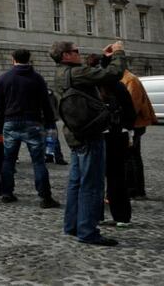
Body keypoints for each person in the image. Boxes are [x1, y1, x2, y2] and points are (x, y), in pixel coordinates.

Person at [50, 40, 126, 246]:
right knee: (92, 185)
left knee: (76, 183)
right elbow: (112, 75)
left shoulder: (61, 72)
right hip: (89, 133)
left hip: (75, 133)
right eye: (75, 51)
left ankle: (72, 225)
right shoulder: (76, 73)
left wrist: (105, 59)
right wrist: (118, 54)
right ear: (66, 55)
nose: (79, 53)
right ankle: (87, 230)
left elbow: (93, 75)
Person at [0, 49, 59, 209]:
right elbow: (46, 102)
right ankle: (45, 197)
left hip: (10, 121)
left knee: (8, 159)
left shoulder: (4, 78)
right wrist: (50, 122)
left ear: (13, 59)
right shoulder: (37, 78)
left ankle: (7, 193)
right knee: (38, 161)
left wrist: (3, 117)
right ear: (29, 59)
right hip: (33, 122)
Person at [84, 54, 135, 227]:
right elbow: (130, 113)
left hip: (95, 134)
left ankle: (96, 215)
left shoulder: (87, 85)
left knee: (94, 177)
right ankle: (121, 216)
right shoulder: (119, 86)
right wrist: (128, 131)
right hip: (116, 134)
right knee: (117, 177)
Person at [120, 69, 158, 199]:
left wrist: (125, 124)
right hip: (133, 123)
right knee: (132, 156)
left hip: (134, 124)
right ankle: (135, 189)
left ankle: (135, 190)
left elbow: (132, 105)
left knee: (131, 156)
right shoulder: (126, 78)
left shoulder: (130, 79)